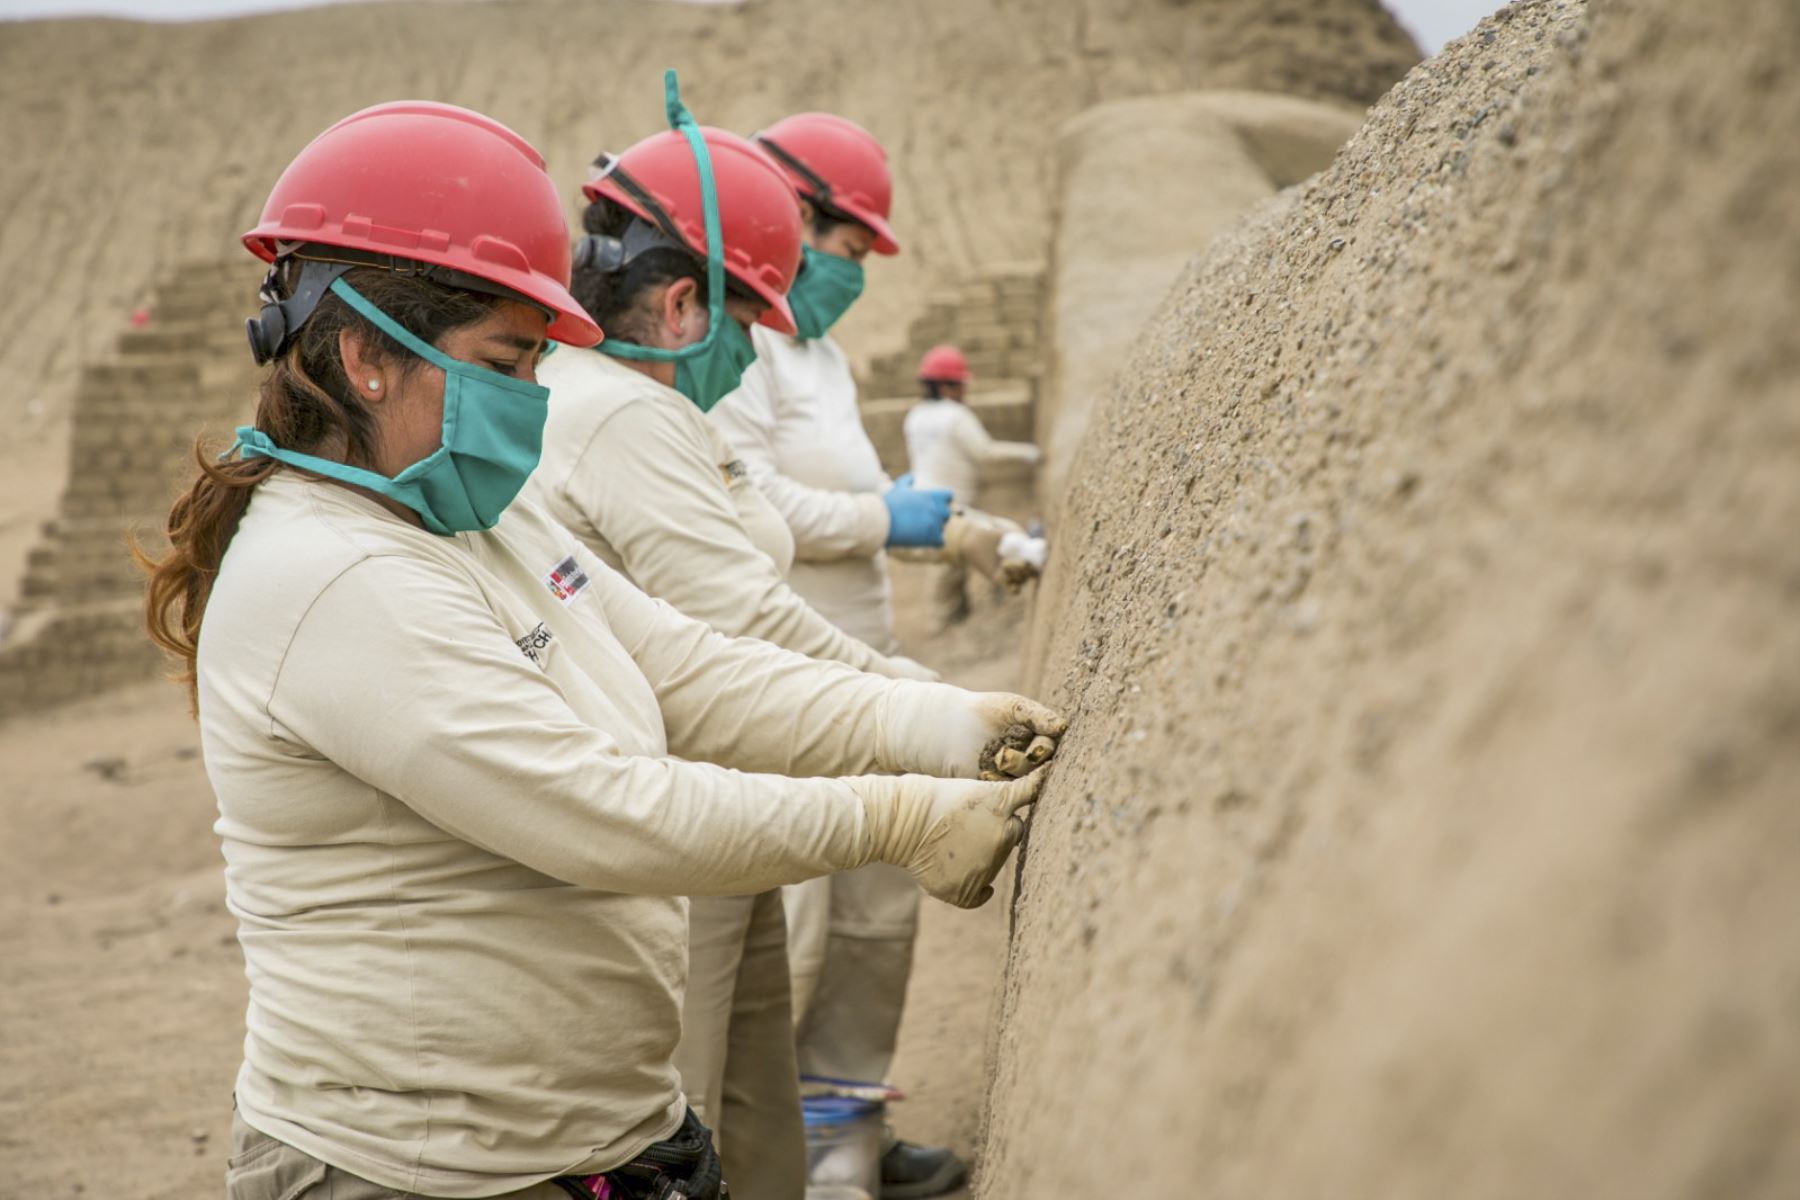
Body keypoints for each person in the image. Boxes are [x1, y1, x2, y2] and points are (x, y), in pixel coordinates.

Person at [137, 90, 1065, 1200]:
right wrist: (897, 814)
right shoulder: (332, 574)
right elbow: (603, 811)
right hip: (426, 1172)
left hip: (585, 1141)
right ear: (363, 357)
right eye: (505, 359)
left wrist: (932, 723)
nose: (534, 398)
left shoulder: (474, 513)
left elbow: (683, 664)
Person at [522, 103, 939, 1200]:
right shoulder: (625, 418)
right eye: (742, 318)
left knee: (753, 1094)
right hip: (678, 804)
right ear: (676, 304)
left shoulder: (653, 407)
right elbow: (744, 623)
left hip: (723, 794)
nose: (755, 343)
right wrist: (919, 708)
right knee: (689, 1108)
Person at [706, 111, 966, 1200]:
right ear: (792, 216)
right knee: (797, 926)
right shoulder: (734, 348)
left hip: (860, 667)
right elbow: (749, 501)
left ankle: (848, 1120)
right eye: (849, 251)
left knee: (872, 913)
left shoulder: (822, 355)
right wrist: (881, 520)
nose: (852, 276)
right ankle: (783, 1158)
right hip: (783, 678)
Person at [904, 344, 1043, 627]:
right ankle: (952, 623)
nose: (964, 393)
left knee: (946, 564)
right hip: (948, 504)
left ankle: (948, 620)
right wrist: (1029, 453)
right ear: (946, 387)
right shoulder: (956, 416)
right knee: (999, 535)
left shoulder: (915, 416)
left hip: (919, 501)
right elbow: (985, 452)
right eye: (960, 386)